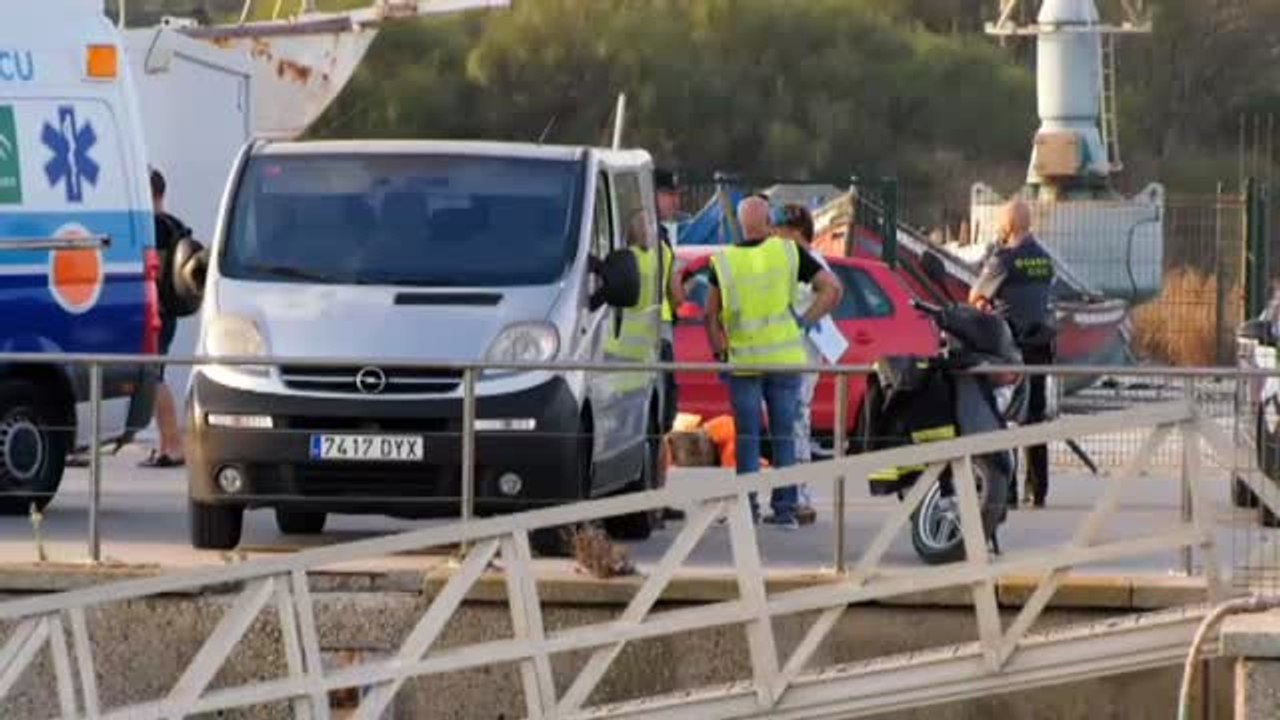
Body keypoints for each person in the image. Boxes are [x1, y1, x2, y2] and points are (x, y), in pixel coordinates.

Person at [705, 196, 842, 529]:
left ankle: (747, 509)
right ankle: (785, 511)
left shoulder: (722, 262)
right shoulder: (789, 252)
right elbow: (832, 288)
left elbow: (710, 315)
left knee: (748, 437)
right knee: (784, 437)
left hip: (744, 362)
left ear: (740, 224)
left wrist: (720, 353)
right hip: (784, 361)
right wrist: (804, 322)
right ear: (768, 224)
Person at [969, 199, 1056, 507]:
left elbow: (975, 296)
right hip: (1041, 347)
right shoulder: (1045, 260)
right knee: (1034, 416)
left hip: (1010, 347)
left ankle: (1007, 491)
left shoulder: (1004, 260)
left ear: (1006, 225)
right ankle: (1039, 489)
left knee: (1006, 418)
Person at [773, 204, 831, 525]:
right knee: (795, 425)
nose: (775, 236)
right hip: (798, 356)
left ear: (794, 231)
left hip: (800, 357)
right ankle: (796, 496)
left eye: (779, 230)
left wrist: (802, 322)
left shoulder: (810, 264)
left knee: (796, 426)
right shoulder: (802, 261)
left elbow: (831, 292)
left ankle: (800, 498)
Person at [141, 168, 191, 468]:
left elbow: (153, 272)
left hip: (156, 312)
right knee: (155, 375)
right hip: (168, 312)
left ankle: (173, 446)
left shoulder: (155, 227)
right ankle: (166, 444)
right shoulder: (175, 225)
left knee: (155, 378)